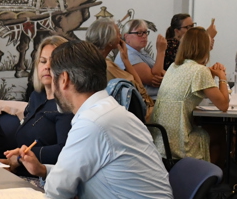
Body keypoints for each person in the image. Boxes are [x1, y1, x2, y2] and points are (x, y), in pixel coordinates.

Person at [12, 40, 178, 199]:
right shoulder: (110, 111)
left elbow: (58, 190)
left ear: (64, 79)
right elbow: (83, 169)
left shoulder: (92, 122)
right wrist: (44, 169)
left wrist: (49, 177)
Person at [151, 27, 229, 165]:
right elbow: (223, 105)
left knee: (208, 128)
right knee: (219, 132)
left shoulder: (174, 67)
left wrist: (210, 72)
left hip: (160, 137)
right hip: (178, 142)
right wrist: (222, 77)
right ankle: (210, 174)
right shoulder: (200, 71)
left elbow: (195, 83)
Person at [3, 35, 73, 178]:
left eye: (54, 62)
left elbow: (65, 150)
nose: (47, 66)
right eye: (43, 61)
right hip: (21, 172)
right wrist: (13, 159)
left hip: (46, 179)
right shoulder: (37, 96)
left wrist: (21, 157)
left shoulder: (66, 104)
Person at [85, 18, 154, 118]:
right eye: (118, 33)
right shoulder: (106, 67)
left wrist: (125, 59)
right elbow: (139, 89)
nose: (120, 36)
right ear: (109, 42)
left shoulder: (100, 61)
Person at [117, 18, 165, 98]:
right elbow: (155, 79)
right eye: (139, 33)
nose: (144, 36)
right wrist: (161, 52)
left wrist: (165, 76)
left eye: (145, 32)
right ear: (127, 36)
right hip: (149, 101)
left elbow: (161, 72)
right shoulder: (128, 55)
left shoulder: (140, 51)